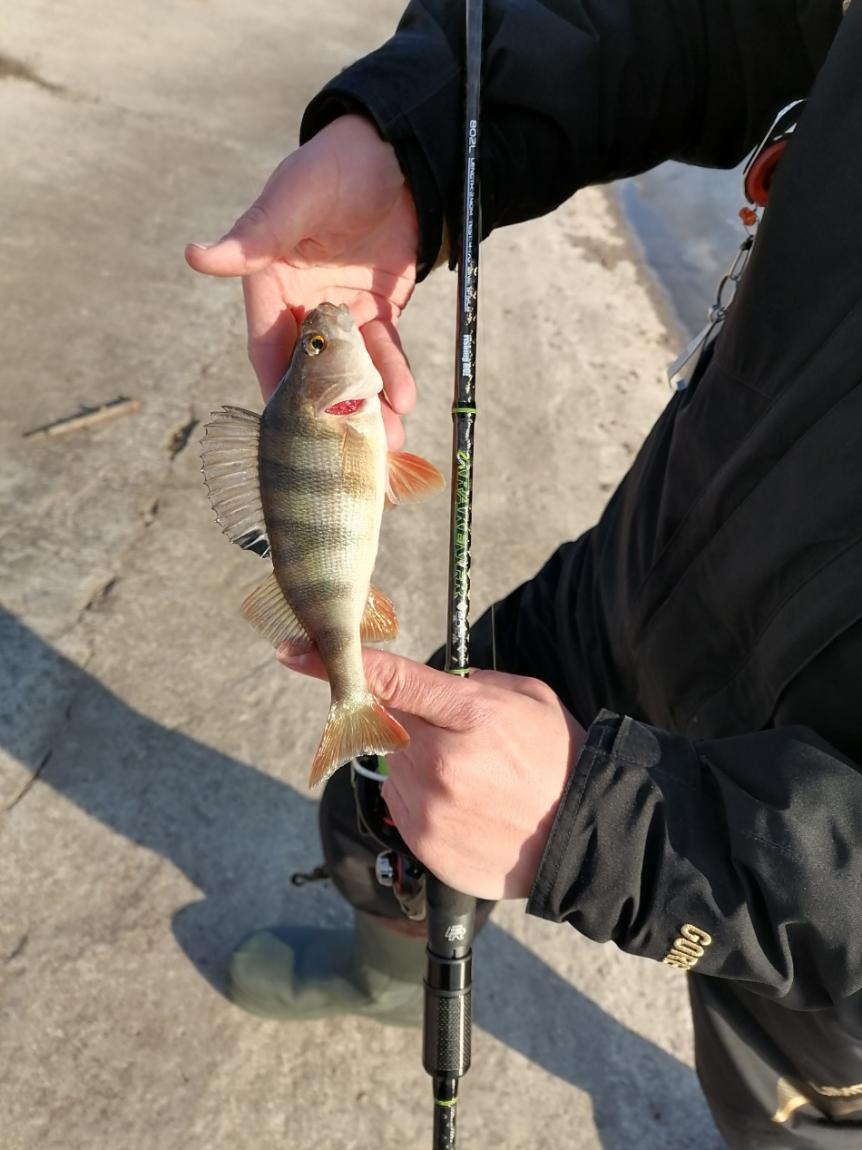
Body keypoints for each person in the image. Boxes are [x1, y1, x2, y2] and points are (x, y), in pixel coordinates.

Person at [185, 1, 862, 1145]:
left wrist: (612, 837)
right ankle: (386, 978)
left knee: (784, 1091)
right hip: (648, 565)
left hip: (812, 853)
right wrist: (424, 127)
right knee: (385, 794)